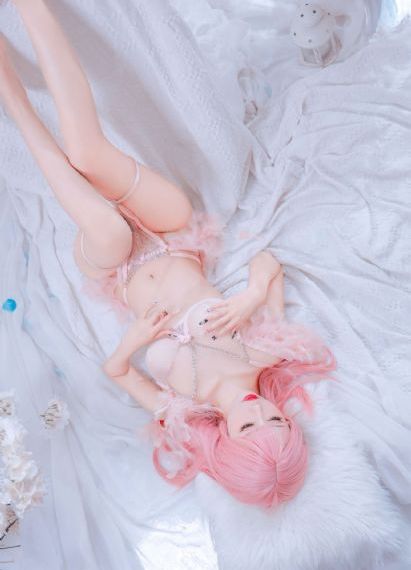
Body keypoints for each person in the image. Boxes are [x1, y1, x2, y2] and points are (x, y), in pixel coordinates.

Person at [0, 0, 336, 509]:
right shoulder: (267, 353)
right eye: (276, 420)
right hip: (175, 234)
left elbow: (115, 370)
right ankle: (32, 9)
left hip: (117, 266)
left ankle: (12, 96)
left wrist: (134, 340)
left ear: (226, 444)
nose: (258, 411)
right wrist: (250, 297)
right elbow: (268, 265)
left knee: (109, 231)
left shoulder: (182, 407)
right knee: (87, 153)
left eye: (249, 427)